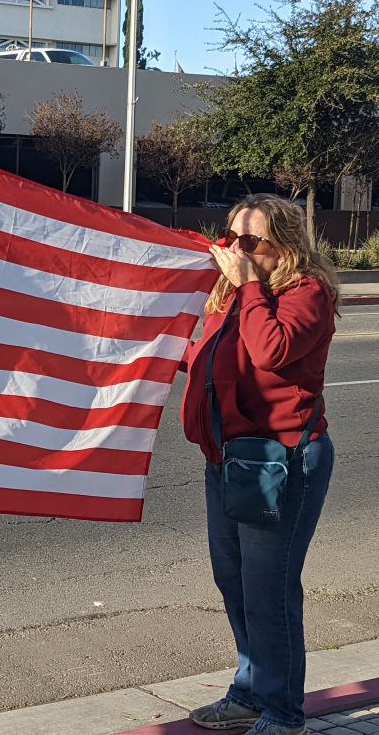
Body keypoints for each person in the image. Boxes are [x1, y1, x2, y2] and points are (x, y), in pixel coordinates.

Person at [181, 194, 339, 735]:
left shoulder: (306, 293)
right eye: (230, 238)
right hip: (229, 458)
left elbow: (271, 350)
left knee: (269, 591)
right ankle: (250, 691)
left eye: (250, 240)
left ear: (285, 245)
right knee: (235, 581)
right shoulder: (234, 296)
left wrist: (248, 285)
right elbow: (217, 359)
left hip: (282, 459)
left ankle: (282, 713)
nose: (235, 249)